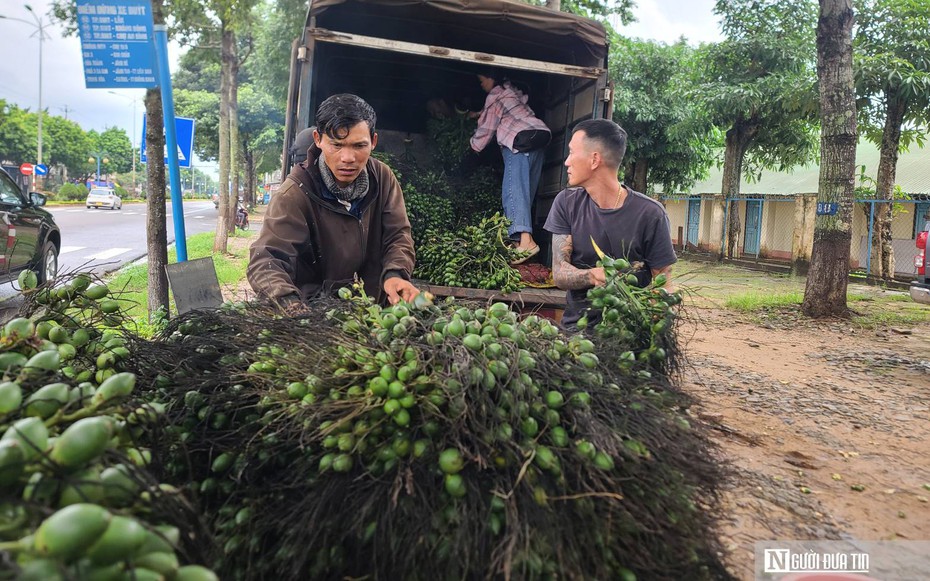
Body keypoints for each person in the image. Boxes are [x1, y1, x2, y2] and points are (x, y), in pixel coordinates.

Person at [248, 93, 419, 308]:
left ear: (373, 142)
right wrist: (290, 305)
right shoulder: (294, 194)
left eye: (359, 146)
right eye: (337, 145)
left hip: (374, 313)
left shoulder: (382, 177)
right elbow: (266, 260)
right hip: (317, 316)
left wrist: (395, 273)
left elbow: (398, 235)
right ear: (318, 140)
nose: (347, 158)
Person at [544, 119, 676, 330]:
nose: (567, 162)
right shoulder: (566, 203)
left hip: (629, 338)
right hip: (577, 337)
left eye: (571, 153)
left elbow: (664, 284)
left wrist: (656, 316)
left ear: (595, 159)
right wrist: (593, 275)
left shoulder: (651, 214)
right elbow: (559, 273)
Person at [469, 69, 551, 263]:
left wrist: (473, 146)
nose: (482, 85)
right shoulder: (511, 92)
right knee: (525, 192)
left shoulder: (495, 96)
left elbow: (486, 130)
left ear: (491, 78)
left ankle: (526, 242)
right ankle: (519, 242)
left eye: (482, 80)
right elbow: (500, 112)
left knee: (513, 190)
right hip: (540, 137)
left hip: (519, 140)